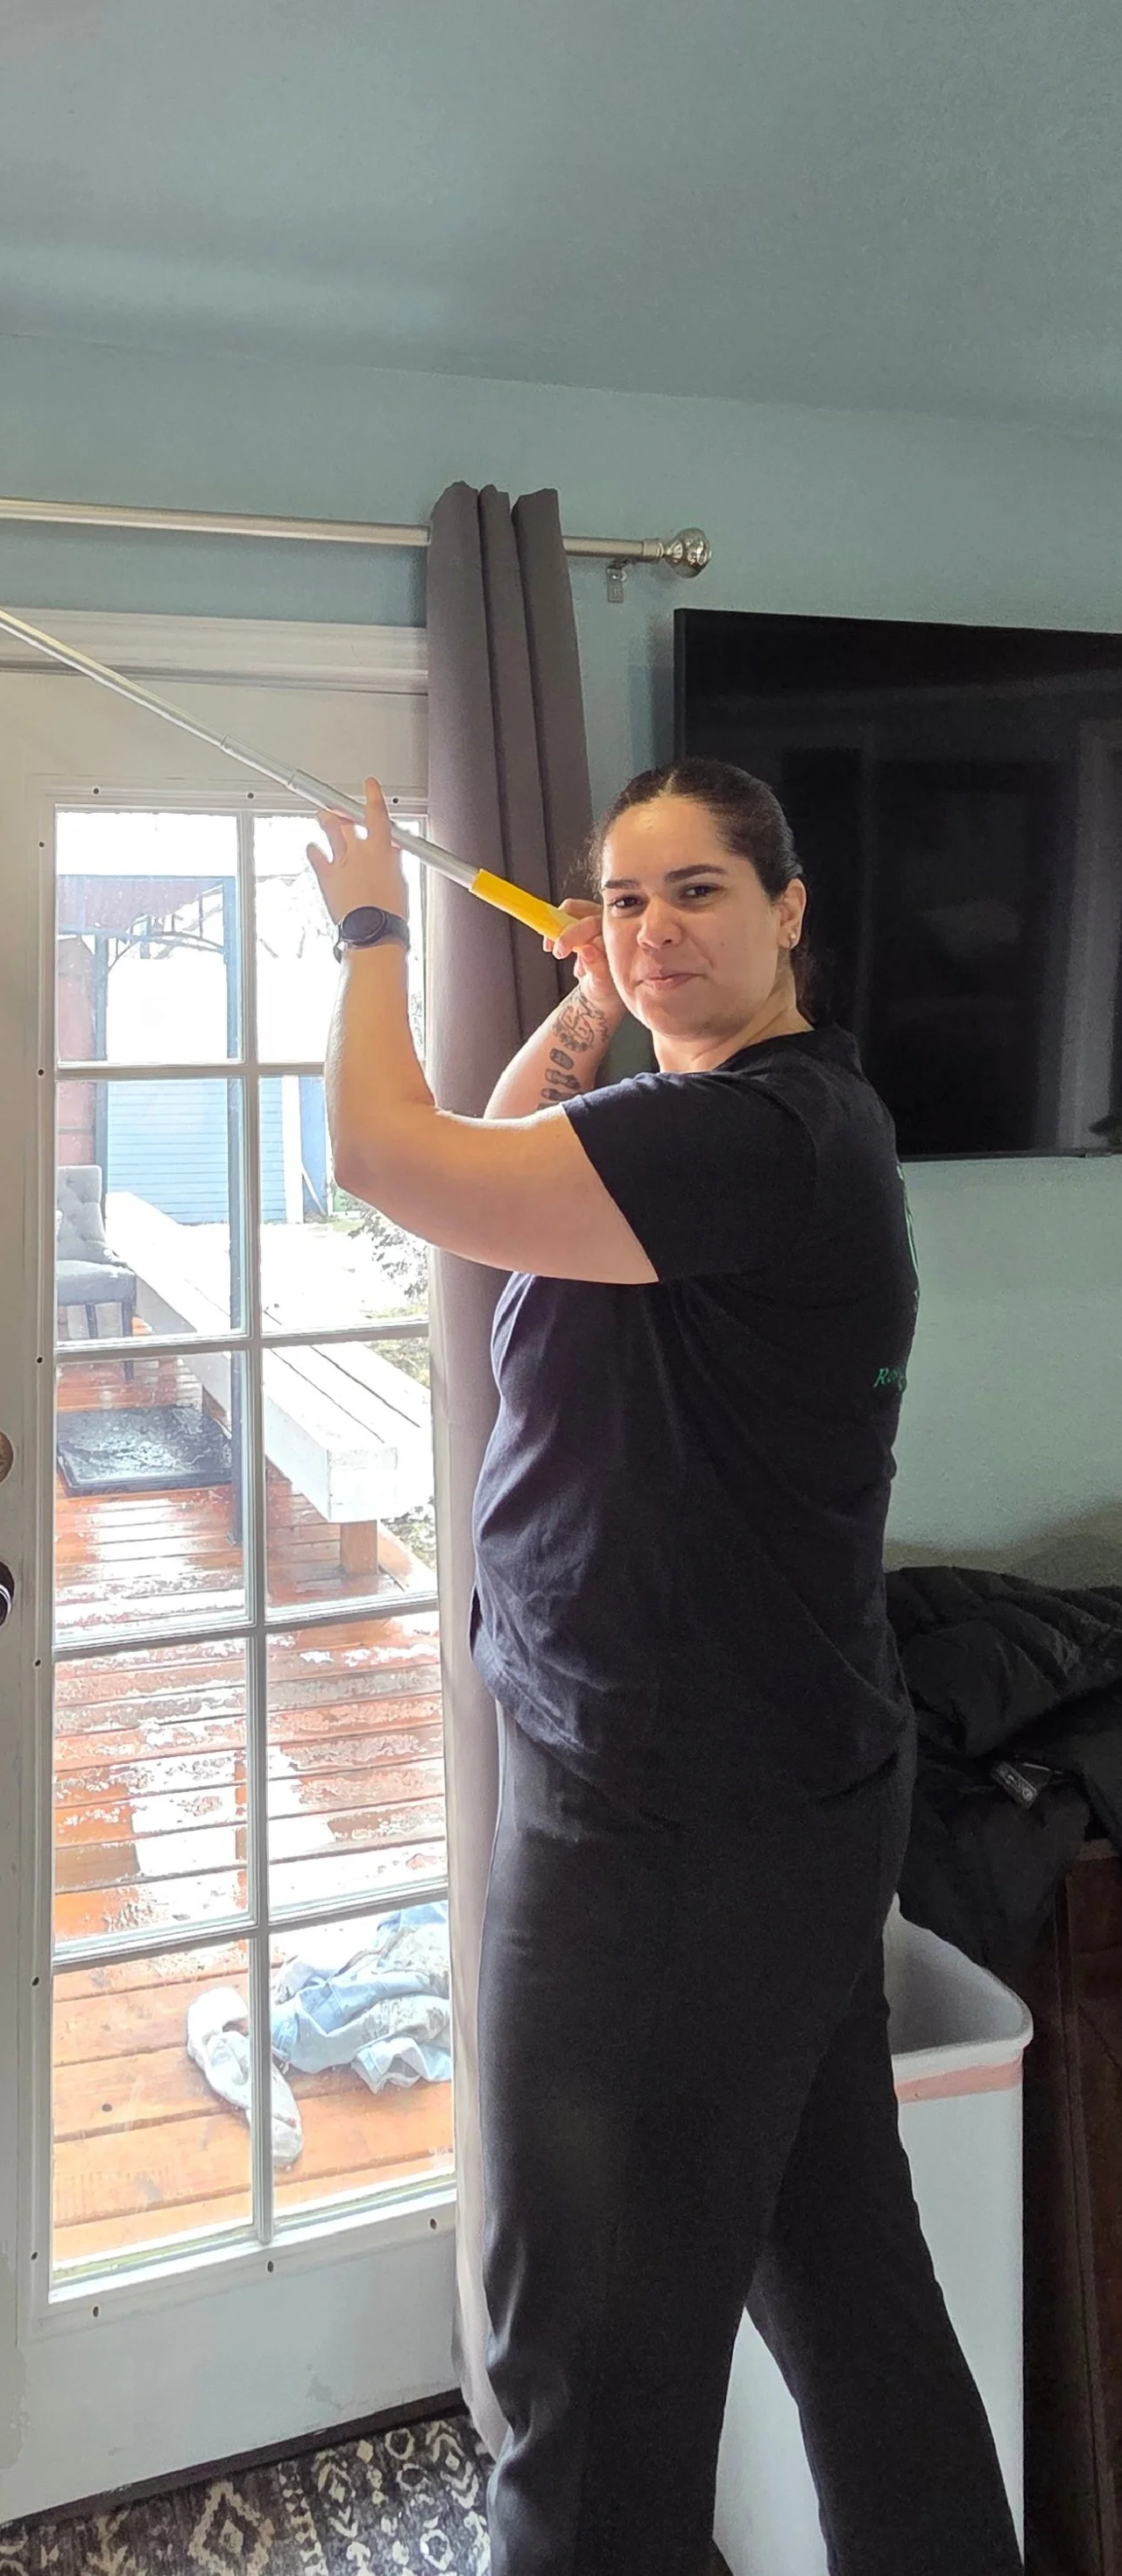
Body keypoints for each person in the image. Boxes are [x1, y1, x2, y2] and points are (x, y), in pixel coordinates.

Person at [307, 759, 1020, 2576]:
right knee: (846, 2292)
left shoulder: (736, 1145)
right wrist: (576, 1010)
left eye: (693, 892)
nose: (649, 930)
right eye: (620, 901)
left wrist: (370, 928)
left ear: (789, 911)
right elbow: (487, 1186)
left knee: (583, 2380)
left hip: (664, 1832)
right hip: (759, 1798)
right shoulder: (736, 1128)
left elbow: (392, 1162)